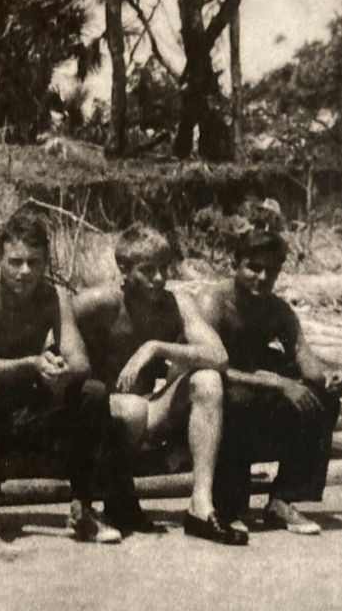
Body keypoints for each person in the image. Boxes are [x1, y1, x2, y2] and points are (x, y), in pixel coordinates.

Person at [0, 211, 130, 544]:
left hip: (29, 410)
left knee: (91, 391)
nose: (25, 272)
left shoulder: (53, 297)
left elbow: (80, 362)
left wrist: (61, 373)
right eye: (15, 262)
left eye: (34, 263)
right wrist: (30, 363)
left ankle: (84, 510)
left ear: (46, 262)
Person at [75, 224, 247, 545]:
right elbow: (51, 344)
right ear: (124, 269)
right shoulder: (99, 302)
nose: (159, 278)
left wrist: (155, 347)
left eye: (164, 269)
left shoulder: (176, 304)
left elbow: (218, 356)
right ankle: (112, 498)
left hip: (147, 411)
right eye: (148, 270)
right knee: (133, 408)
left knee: (207, 380)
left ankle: (200, 504)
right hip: (103, 417)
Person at [197, 229, 342, 535]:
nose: (262, 278)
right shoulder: (213, 302)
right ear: (235, 264)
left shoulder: (277, 310)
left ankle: (284, 499)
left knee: (323, 398)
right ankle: (229, 504)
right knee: (237, 397)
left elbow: (306, 360)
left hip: (254, 387)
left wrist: (331, 376)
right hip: (205, 392)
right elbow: (207, 365)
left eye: (272, 271)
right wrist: (280, 384)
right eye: (254, 267)